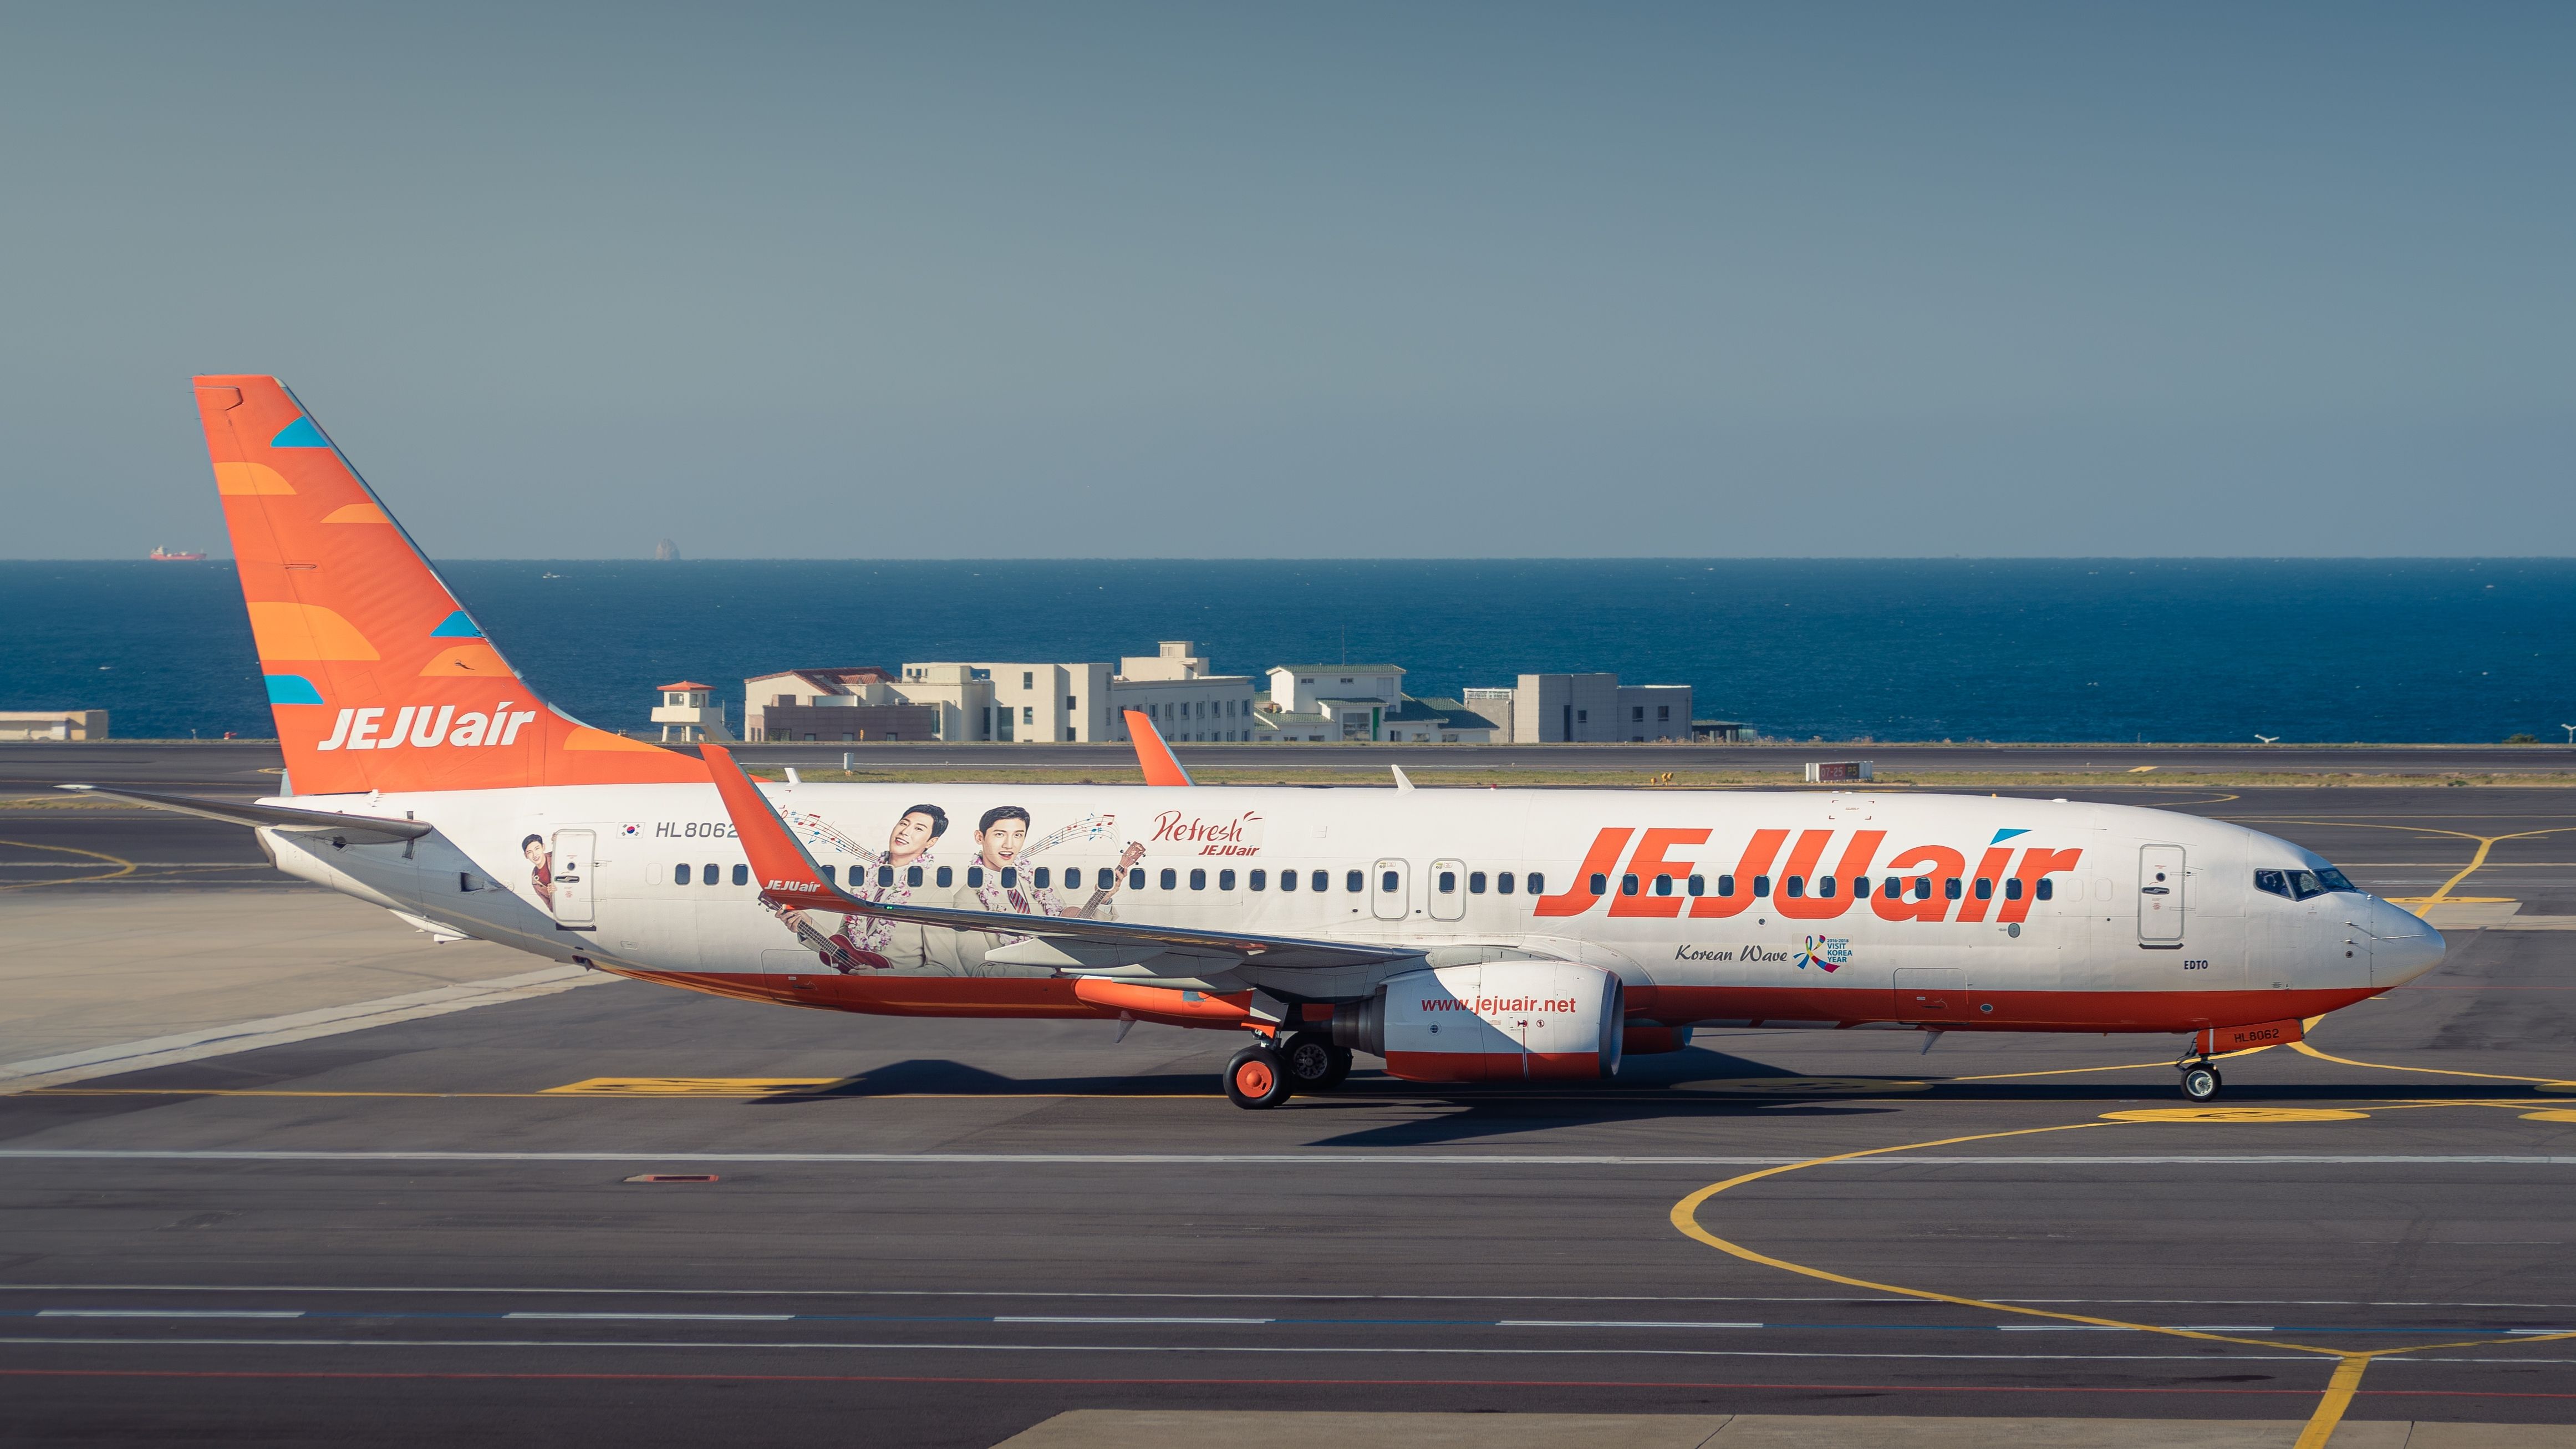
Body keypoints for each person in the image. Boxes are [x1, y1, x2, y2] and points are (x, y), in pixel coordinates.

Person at [940, 806, 1139, 976]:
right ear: (980, 837)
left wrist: (1102, 900)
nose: (1009, 845)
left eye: (1018, 835)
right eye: (1000, 834)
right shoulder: (966, 898)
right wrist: (1050, 967)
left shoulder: (1038, 881)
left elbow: (1074, 934)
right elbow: (980, 971)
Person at [826, 804, 951, 972]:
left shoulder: (934, 895)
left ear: (931, 842)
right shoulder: (863, 884)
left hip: (893, 995)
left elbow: (944, 970)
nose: (905, 832)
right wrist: (806, 926)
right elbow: (843, 946)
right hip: (850, 987)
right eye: (904, 824)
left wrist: (882, 977)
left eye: (918, 829)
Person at [521, 833, 554, 913]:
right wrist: (552, 895)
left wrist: (560, 840)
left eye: (537, 849)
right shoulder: (536, 882)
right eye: (530, 852)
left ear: (543, 847)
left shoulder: (556, 856)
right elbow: (551, 909)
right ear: (526, 856)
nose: (535, 855)